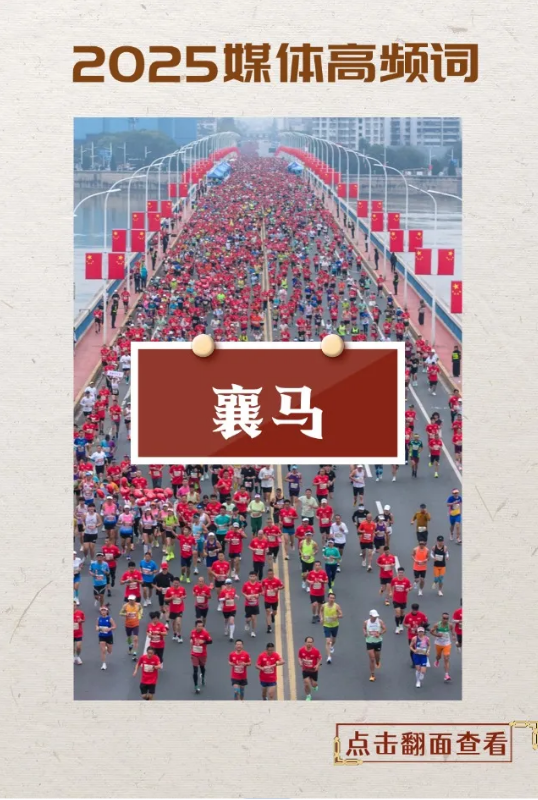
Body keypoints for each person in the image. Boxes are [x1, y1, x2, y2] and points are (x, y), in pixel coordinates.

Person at [430, 613, 455, 682]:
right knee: (438, 656)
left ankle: (446, 675)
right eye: (444, 618)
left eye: (447, 618)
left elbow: (452, 632)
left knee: (446, 658)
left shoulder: (450, 625)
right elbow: (431, 632)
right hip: (438, 643)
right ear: (442, 618)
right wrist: (437, 635)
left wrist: (453, 636)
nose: (445, 620)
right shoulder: (437, 625)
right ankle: (437, 660)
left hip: (447, 643)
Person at [190, 619, 213, 694]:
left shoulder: (205, 633)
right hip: (194, 654)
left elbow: (210, 641)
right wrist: (191, 640)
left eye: (201, 626)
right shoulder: (193, 632)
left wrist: (204, 641)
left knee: (202, 667)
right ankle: (196, 686)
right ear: (195, 626)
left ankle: (203, 677)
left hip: (202, 654)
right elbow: (191, 637)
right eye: (199, 626)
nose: (200, 627)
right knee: (195, 670)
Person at [363, 609, 386, 682]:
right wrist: (365, 633)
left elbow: (384, 629)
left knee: (377, 656)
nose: (375, 617)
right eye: (374, 616)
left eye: (376, 616)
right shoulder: (366, 622)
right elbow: (364, 628)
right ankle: (372, 675)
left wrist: (380, 633)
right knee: (372, 658)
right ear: (370, 616)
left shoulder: (380, 621)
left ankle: (378, 661)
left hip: (378, 641)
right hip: (369, 641)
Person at [404, 603, 429, 668]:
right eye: (414, 610)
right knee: (413, 649)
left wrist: (422, 625)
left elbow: (426, 622)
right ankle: (414, 662)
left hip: (420, 635)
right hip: (411, 635)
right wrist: (407, 626)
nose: (415, 611)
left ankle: (422, 659)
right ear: (412, 609)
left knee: (421, 648)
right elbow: (405, 623)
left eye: (416, 610)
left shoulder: (422, 615)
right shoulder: (408, 616)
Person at [320, 592, 342, 663]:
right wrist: (321, 618)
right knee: (327, 641)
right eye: (330, 598)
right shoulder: (324, 605)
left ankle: (331, 646)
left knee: (333, 640)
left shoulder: (337, 606)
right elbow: (321, 611)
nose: (332, 599)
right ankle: (329, 657)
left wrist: (337, 616)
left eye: (333, 598)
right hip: (326, 625)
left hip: (335, 625)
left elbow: (341, 614)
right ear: (328, 598)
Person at [298, 636, 322, 701]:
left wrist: (317, 665)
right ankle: (308, 695)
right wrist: (300, 662)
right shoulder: (301, 650)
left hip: (313, 670)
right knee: (306, 683)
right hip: (305, 670)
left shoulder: (316, 651)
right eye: (308, 642)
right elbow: (299, 657)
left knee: (314, 684)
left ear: (313, 643)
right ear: (305, 642)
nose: (309, 644)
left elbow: (320, 658)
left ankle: (315, 686)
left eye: (311, 642)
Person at [119, 594, 143, 659]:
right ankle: (130, 645)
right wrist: (125, 614)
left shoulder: (138, 605)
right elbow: (120, 613)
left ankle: (135, 652)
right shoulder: (125, 606)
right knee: (129, 638)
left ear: (135, 600)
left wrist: (140, 614)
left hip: (135, 624)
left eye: (132, 600)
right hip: (128, 625)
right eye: (129, 600)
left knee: (136, 639)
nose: (131, 601)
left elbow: (141, 609)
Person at [164, 576, 187, 642]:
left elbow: (185, 595)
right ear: (172, 583)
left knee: (178, 622)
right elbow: (165, 599)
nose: (176, 584)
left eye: (177, 583)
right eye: (174, 583)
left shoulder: (182, 589)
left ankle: (179, 636)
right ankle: (175, 634)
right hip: (172, 609)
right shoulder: (169, 590)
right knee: (174, 623)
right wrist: (171, 598)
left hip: (180, 608)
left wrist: (183, 597)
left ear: (179, 583)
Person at [261, 568, 284, 634]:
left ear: (273, 574)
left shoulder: (277, 580)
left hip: (274, 600)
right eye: (269, 574)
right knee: (268, 611)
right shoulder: (264, 581)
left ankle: (272, 615)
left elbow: (282, 586)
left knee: (275, 612)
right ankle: (269, 627)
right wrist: (263, 591)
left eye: (271, 574)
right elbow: (261, 587)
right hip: (267, 599)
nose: (270, 575)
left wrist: (278, 588)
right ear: (267, 574)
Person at [391, 567, 412, 633]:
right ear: (398, 573)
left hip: (403, 600)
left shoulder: (406, 581)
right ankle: (397, 627)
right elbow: (391, 586)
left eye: (402, 573)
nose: (400, 574)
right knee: (398, 613)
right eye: (399, 572)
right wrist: (391, 592)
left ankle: (400, 624)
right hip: (396, 599)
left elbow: (410, 587)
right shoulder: (394, 580)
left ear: (403, 573)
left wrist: (409, 589)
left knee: (402, 613)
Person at [242, 571, 263, 637]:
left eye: (253, 576)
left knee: (254, 618)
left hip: (255, 604)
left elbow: (262, 592)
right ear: (249, 577)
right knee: (248, 618)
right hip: (248, 604)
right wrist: (246, 596)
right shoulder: (246, 584)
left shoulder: (259, 585)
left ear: (256, 577)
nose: (252, 578)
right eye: (251, 576)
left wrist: (258, 594)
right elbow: (243, 592)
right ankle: (247, 622)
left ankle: (253, 631)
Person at [96, 606, 116, 670]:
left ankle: (107, 648)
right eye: (102, 610)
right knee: (103, 650)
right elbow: (97, 626)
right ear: (100, 612)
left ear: (107, 611)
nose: (103, 612)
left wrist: (109, 629)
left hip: (109, 636)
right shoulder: (99, 619)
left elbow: (114, 626)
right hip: (101, 636)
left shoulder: (110, 618)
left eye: (104, 610)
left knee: (109, 651)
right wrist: (98, 628)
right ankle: (104, 664)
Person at [73, 601, 85, 665]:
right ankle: (73, 657)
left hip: (78, 633)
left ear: (76, 606)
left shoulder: (80, 613)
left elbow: (83, 620)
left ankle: (77, 656)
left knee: (78, 647)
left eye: (74, 605)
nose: (73, 607)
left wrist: (81, 621)